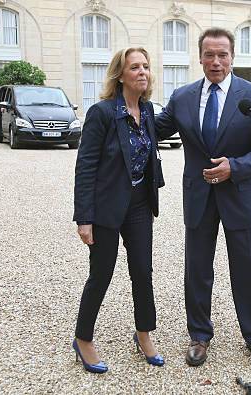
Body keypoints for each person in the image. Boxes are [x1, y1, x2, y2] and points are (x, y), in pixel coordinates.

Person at [155, 28, 251, 369]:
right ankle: (199, 335)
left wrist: (236, 167)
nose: (215, 61)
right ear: (199, 57)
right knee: (197, 269)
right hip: (198, 196)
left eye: (222, 54)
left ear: (232, 57)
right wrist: (122, 108)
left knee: (248, 270)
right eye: (209, 54)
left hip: (240, 196)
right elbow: (154, 129)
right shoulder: (181, 97)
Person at [72, 47, 165, 373]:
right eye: (135, 67)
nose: (143, 72)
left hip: (139, 204)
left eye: (146, 66)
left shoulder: (148, 110)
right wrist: (85, 217)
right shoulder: (101, 113)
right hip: (107, 207)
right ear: (120, 75)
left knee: (143, 271)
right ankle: (83, 338)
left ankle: (144, 333)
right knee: (101, 274)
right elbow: (85, 167)